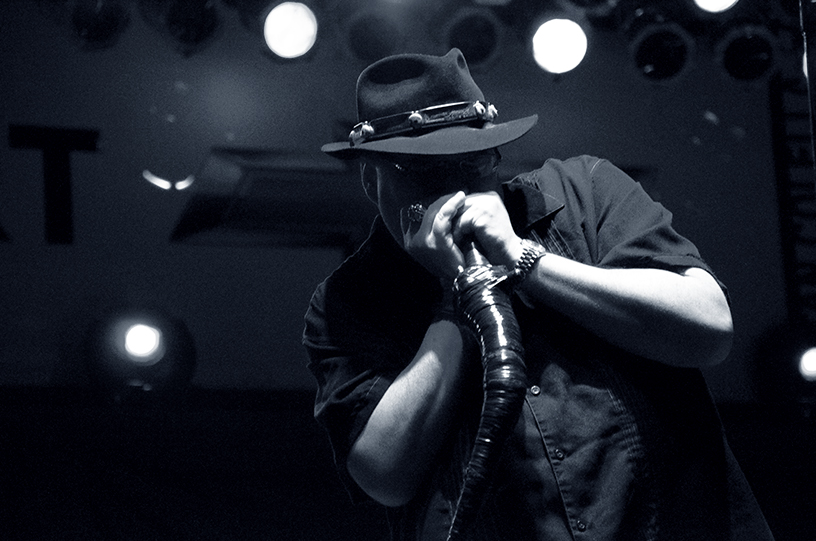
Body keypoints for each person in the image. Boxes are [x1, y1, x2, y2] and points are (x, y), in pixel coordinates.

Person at [303, 48, 774, 540]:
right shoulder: (349, 300)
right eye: (420, 173)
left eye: (469, 166)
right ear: (368, 176)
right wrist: (458, 294)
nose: (452, 196)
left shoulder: (585, 192)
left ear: (496, 154)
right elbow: (384, 474)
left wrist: (525, 261)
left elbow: (709, 329)